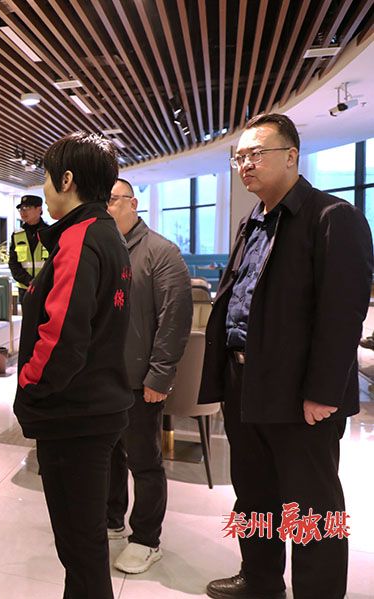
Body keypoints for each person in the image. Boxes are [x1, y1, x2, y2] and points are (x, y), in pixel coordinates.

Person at [200, 114, 372, 599]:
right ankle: (260, 579)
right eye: (239, 157)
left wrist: (323, 392)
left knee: (312, 506)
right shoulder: (252, 222)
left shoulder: (331, 217)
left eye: (256, 154)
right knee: (254, 492)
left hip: (300, 394)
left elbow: (343, 314)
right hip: (245, 382)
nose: (245, 165)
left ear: (292, 156)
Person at [13, 133, 131, 598]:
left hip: (74, 413)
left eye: (46, 178)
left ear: (67, 179)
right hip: (93, 407)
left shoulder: (81, 237)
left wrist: (29, 387)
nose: (43, 189)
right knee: (83, 547)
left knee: (81, 549)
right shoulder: (105, 231)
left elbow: (62, 336)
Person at [105, 178, 193, 574]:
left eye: (112, 200)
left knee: (144, 461)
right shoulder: (105, 249)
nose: (106, 207)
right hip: (104, 379)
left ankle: (146, 538)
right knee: (108, 456)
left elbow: (174, 319)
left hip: (140, 380)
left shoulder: (160, 251)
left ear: (132, 203)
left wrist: (160, 375)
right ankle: (111, 519)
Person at [9, 194, 48, 304]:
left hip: (46, 288)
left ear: (39, 209)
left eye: (27, 208)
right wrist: (29, 281)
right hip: (25, 289)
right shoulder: (17, 235)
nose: (23, 212)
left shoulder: (49, 232)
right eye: (21, 209)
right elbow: (13, 263)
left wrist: (41, 281)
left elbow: (56, 261)